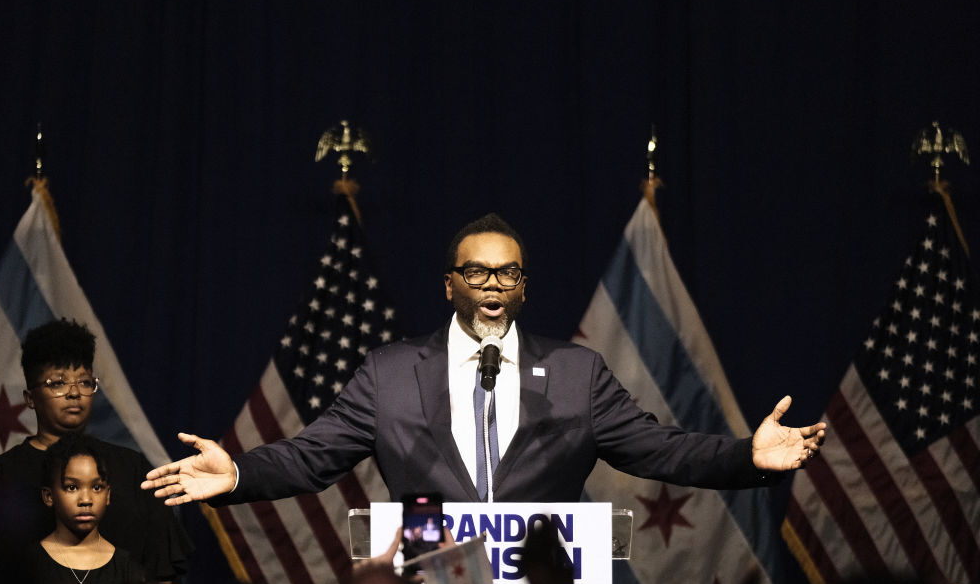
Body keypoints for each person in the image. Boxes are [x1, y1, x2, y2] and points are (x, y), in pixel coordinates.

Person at [143, 214, 825, 507]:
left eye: (507, 274)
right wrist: (236, 472)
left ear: (524, 285)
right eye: (477, 273)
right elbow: (309, 455)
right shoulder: (389, 372)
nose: (492, 286)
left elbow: (660, 450)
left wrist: (746, 456)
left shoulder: (575, 373)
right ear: (451, 284)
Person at [0, 318, 192, 583]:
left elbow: (162, 579)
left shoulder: (135, 471)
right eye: (58, 383)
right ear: (30, 398)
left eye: (85, 382)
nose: (74, 393)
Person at [33, 433, 144, 584]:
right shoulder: (29, 566)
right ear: (49, 496)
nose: (86, 500)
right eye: (72, 488)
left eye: (97, 487)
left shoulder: (126, 569)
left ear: (108, 495)